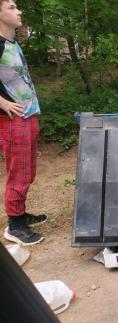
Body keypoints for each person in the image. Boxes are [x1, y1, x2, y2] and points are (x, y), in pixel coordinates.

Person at [0, 0, 47, 245]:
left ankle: (20, 214)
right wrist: (4, 103)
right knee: (19, 171)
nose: (18, 11)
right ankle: (14, 226)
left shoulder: (12, 43)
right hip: (13, 119)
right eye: (11, 7)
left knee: (28, 170)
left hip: (29, 115)